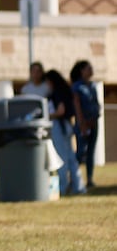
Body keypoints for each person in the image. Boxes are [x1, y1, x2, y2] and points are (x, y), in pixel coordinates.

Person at [44, 69, 82, 196]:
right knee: (71, 157)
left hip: (59, 126)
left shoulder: (57, 92)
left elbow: (60, 111)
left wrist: (48, 116)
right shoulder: (65, 90)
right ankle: (79, 187)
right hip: (67, 124)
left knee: (61, 158)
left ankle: (62, 187)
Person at [71, 59, 100, 191]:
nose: (91, 70)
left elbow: (95, 103)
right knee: (80, 152)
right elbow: (77, 105)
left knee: (91, 152)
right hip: (83, 124)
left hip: (93, 123)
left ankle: (89, 179)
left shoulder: (93, 86)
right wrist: (82, 122)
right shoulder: (77, 86)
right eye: (88, 68)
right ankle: (74, 178)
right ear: (81, 70)